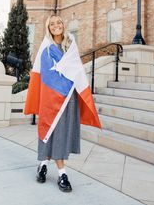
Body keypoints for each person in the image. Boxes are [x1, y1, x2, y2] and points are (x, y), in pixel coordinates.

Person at [24, 14, 101, 192]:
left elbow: (77, 71)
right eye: (52, 24)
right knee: (49, 130)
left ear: (63, 25)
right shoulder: (47, 49)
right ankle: (59, 172)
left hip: (69, 98)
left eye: (59, 22)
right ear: (48, 28)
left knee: (61, 134)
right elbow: (49, 76)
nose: (56, 25)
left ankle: (44, 165)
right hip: (52, 98)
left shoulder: (71, 46)